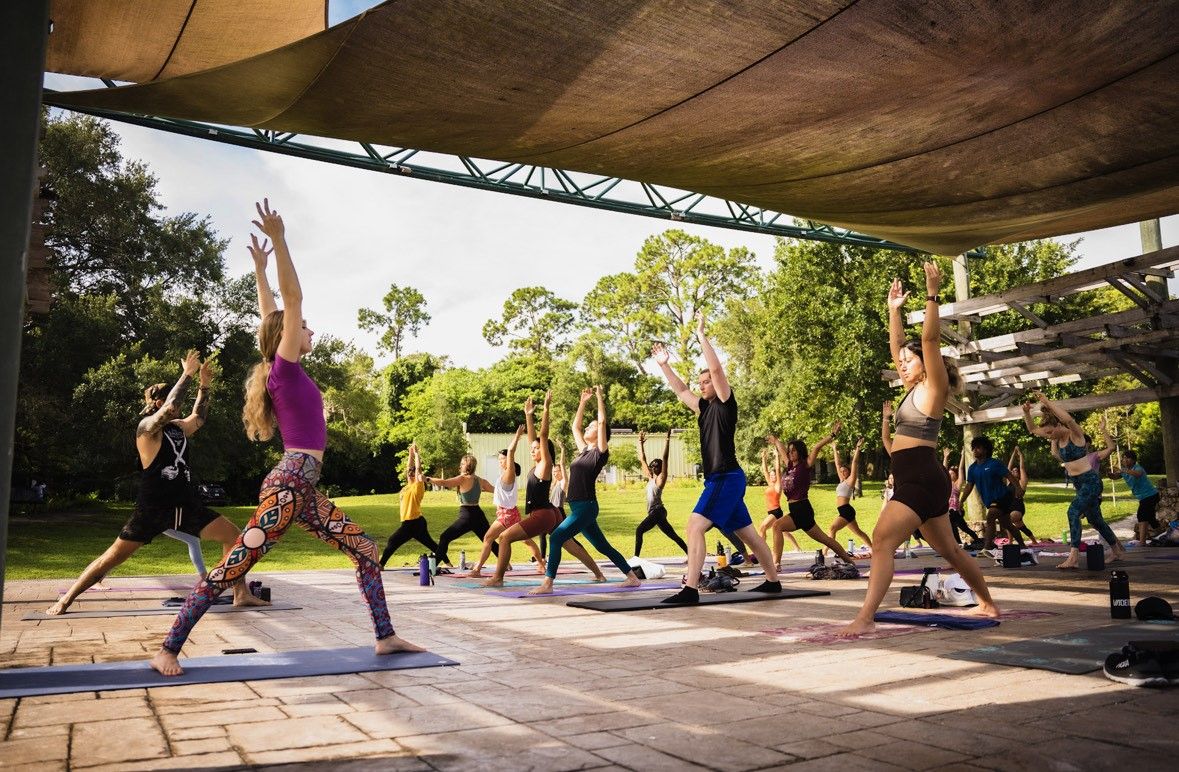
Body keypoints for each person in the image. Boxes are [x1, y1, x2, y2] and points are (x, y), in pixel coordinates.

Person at [148, 200, 420, 676]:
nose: (309, 328)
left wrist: (259, 268)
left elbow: (272, 312)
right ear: (288, 338)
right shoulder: (287, 370)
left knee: (366, 550)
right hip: (289, 485)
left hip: (301, 488)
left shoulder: (281, 368)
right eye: (304, 327)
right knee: (233, 566)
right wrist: (281, 239)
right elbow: (290, 304)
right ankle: (168, 647)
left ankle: (385, 637)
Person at [839, 264, 999, 636]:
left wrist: (931, 294)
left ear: (924, 365)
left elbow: (928, 343)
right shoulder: (912, 390)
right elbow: (898, 346)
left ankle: (865, 617)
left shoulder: (934, 387)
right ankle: (987, 603)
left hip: (922, 480)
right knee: (953, 552)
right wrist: (893, 311)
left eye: (909, 362)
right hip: (920, 481)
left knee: (881, 541)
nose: (902, 365)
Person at [48, 353, 265, 616]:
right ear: (159, 403)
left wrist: (204, 385)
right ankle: (66, 599)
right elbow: (172, 407)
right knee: (112, 558)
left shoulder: (178, 428)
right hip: (153, 509)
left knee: (235, 537)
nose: (175, 408)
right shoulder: (146, 429)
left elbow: (199, 417)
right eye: (168, 403)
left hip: (186, 506)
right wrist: (186, 374)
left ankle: (240, 594)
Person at [652, 312, 780, 604]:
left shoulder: (725, 403)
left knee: (694, 526)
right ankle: (773, 582)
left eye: (706, 381)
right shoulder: (703, 409)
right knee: (749, 536)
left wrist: (701, 336)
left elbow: (718, 371)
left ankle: (690, 589)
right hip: (724, 479)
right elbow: (681, 389)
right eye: (701, 382)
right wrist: (665, 366)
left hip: (725, 477)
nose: (703, 385)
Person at [483, 393, 605, 587]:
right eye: (531, 449)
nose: (532, 450)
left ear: (544, 450)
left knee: (504, 538)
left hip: (542, 514)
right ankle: (599, 573)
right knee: (570, 544)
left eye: (536, 449)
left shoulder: (545, 465)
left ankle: (497, 578)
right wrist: (529, 416)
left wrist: (546, 409)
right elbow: (534, 438)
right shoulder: (537, 463)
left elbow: (542, 436)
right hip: (552, 513)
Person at [530, 386, 640, 595]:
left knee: (556, 538)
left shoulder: (600, 453)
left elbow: (602, 422)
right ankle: (632, 577)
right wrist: (582, 402)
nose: (588, 428)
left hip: (586, 507)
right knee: (602, 546)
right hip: (580, 507)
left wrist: (599, 397)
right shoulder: (583, 451)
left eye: (592, 426)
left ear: (600, 434)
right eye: (588, 426)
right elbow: (575, 428)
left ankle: (548, 583)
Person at [1023, 395, 1125, 569]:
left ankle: (1074, 557)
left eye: (1049, 432)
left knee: (1073, 511)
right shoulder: (1057, 438)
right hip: (1079, 484)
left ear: (1058, 425)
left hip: (1091, 482)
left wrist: (1047, 403)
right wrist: (1026, 413)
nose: (1048, 436)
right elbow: (1032, 429)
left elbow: (1068, 418)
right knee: (1095, 520)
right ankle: (1116, 551)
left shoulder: (1075, 435)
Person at [768, 426, 859, 563]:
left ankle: (776, 564)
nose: (790, 453)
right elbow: (781, 449)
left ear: (800, 452)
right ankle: (849, 561)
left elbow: (817, 447)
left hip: (803, 509)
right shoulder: (790, 465)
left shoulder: (805, 465)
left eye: (794, 451)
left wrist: (832, 435)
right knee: (826, 540)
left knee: (777, 526)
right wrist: (775, 440)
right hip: (795, 510)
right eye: (790, 451)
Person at [465, 426, 546, 576]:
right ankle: (541, 564)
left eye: (503, 459)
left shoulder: (510, 473)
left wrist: (517, 437)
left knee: (488, 538)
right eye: (500, 459)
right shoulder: (503, 477)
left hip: (506, 515)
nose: (500, 461)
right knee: (526, 540)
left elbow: (511, 452)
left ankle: (477, 569)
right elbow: (497, 491)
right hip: (511, 513)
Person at [427, 455, 495, 568]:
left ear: (468, 466)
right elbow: (497, 490)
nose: (460, 466)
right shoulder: (481, 480)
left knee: (445, 537)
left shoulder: (462, 479)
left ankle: (432, 567)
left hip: (467, 515)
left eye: (462, 464)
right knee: (489, 540)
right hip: (478, 515)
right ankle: (506, 563)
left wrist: (428, 479)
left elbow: (444, 483)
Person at [380, 444, 442, 567]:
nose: (410, 474)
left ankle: (380, 565)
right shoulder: (407, 486)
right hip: (413, 522)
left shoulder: (418, 486)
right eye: (409, 473)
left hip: (413, 522)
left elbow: (418, 469)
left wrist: (417, 454)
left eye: (412, 473)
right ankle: (447, 561)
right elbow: (410, 467)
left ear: (417, 475)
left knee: (393, 540)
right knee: (431, 544)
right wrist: (410, 454)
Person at [957, 435, 1021, 553]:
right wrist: (961, 501)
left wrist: (1018, 488)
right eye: (974, 448)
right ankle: (1023, 546)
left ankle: (987, 547)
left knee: (990, 516)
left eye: (978, 448)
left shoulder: (994, 463)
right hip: (990, 500)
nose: (975, 450)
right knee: (1007, 524)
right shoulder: (972, 468)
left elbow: (1009, 476)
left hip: (1003, 496)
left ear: (986, 450)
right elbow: (969, 486)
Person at [634, 428, 689, 557]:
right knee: (673, 535)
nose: (653, 467)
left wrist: (667, 439)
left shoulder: (660, 479)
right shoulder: (651, 477)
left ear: (661, 467)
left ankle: (636, 558)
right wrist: (641, 443)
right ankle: (690, 554)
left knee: (639, 530)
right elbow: (642, 459)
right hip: (657, 512)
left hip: (657, 511)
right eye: (652, 466)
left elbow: (665, 458)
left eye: (656, 466)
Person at [758, 445, 801, 565]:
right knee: (784, 532)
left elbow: (777, 470)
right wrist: (763, 458)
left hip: (776, 512)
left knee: (762, 527)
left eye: (773, 476)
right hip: (771, 511)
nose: (771, 476)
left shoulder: (778, 485)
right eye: (770, 476)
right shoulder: (769, 483)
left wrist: (777, 456)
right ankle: (797, 547)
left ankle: (762, 551)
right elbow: (765, 470)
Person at [829, 437, 872, 554]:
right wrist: (834, 448)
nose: (842, 472)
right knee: (858, 532)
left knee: (832, 528)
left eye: (845, 471)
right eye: (841, 471)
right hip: (844, 511)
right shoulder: (842, 480)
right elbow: (837, 464)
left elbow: (854, 462)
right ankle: (874, 548)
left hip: (846, 511)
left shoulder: (850, 480)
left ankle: (825, 551)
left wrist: (857, 448)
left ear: (848, 472)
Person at [1111, 449, 1161, 544]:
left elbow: (1137, 474)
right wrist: (1111, 474)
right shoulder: (1125, 471)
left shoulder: (1138, 468)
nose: (1125, 460)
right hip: (1144, 497)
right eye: (1124, 458)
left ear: (1134, 460)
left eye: (1128, 458)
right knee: (1151, 518)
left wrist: (1124, 470)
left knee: (1141, 515)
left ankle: (1142, 542)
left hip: (1150, 495)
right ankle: (1162, 535)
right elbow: (1115, 477)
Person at [943, 448, 981, 548]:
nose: (950, 474)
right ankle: (958, 542)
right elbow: (943, 468)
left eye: (952, 473)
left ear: (955, 475)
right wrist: (946, 457)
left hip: (956, 510)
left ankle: (974, 539)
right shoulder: (946, 483)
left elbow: (960, 469)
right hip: (948, 510)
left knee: (963, 528)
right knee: (953, 527)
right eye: (949, 473)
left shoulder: (957, 484)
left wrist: (963, 455)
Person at [1006, 446, 1037, 544]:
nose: (1015, 471)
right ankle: (1034, 540)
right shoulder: (1008, 482)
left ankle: (1010, 542)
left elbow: (1022, 467)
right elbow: (1008, 468)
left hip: (1018, 508)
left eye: (1016, 471)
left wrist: (1020, 455)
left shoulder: (1022, 482)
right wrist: (1013, 454)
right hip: (1010, 507)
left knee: (1007, 521)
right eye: (1013, 471)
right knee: (1021, 526)